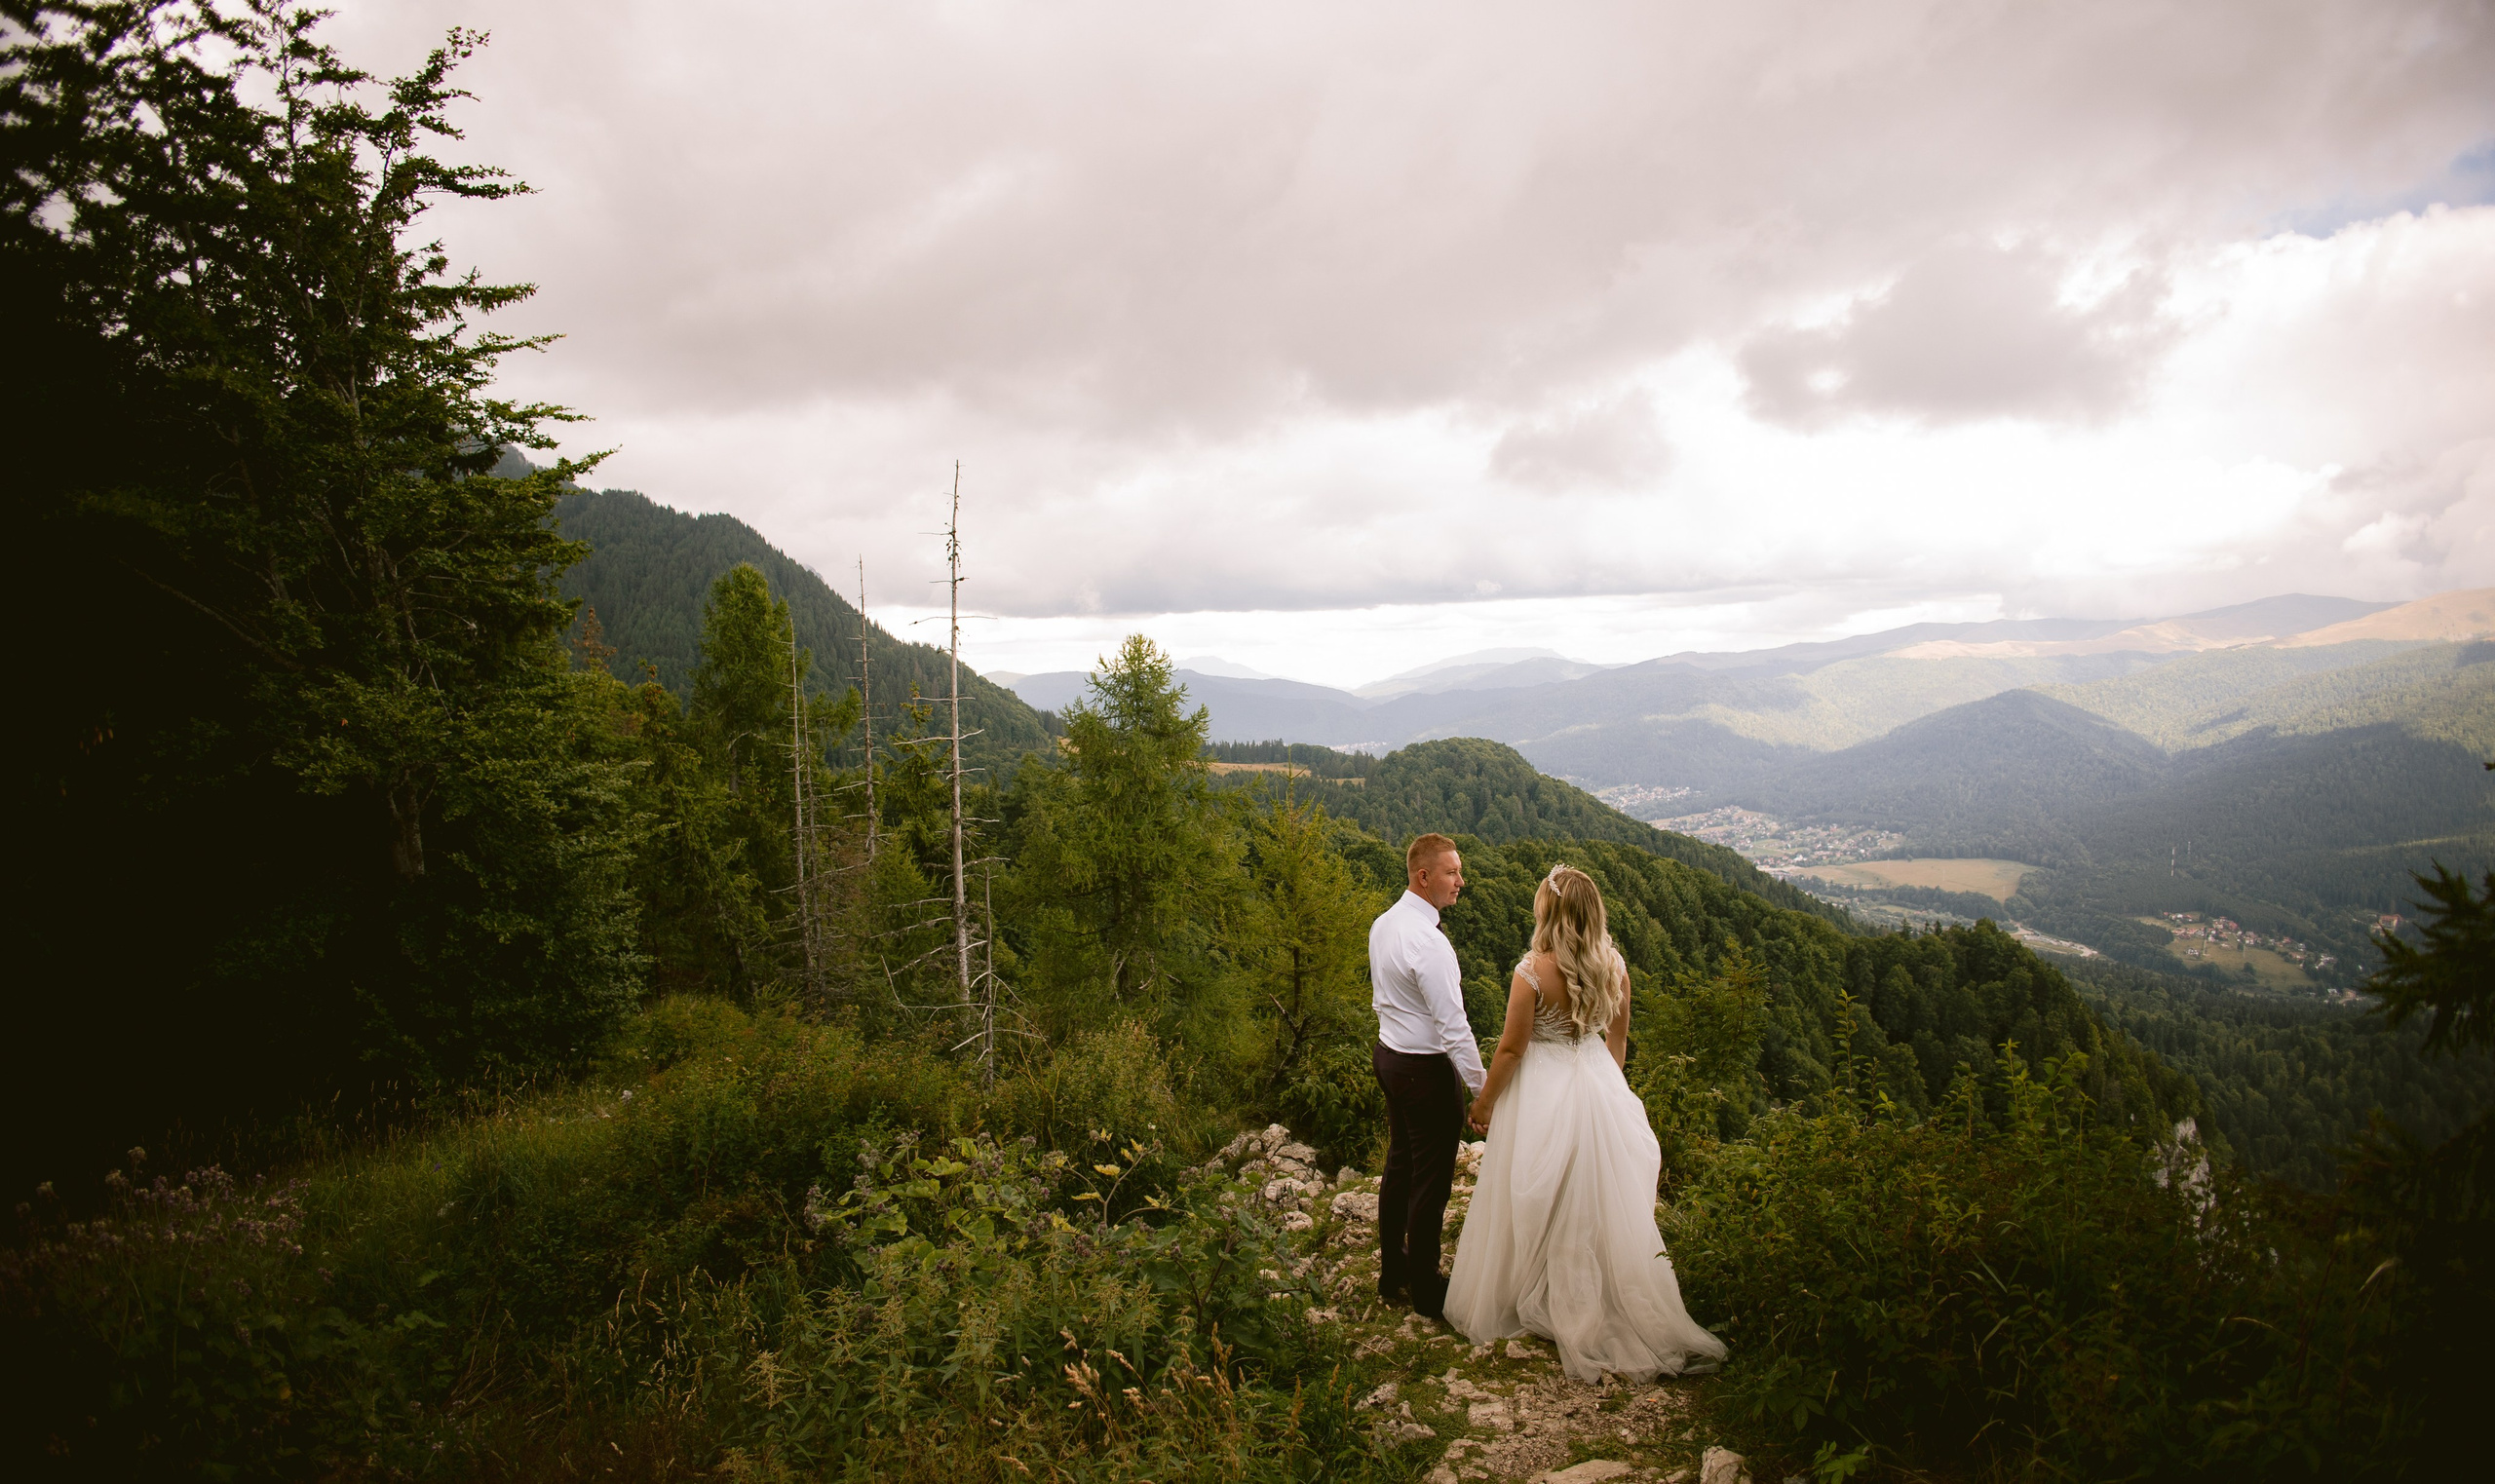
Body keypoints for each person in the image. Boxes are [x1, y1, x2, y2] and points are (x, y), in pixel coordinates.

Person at [1444, 862, 1726, 1383]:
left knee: (1537, 1192)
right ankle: (1593, 1293)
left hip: (1543, 1087)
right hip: (1597, 1079)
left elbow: (1510, 1048)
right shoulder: (1615, 966)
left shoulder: (1531, 970)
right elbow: (1617, 1042)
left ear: (1550, 911)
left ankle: (1535, 1293)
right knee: (1593, 1196)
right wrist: (1604, 1088)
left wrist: (1483, 1103)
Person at [1368, 832, 1483, 1320]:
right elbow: (1454, 1029)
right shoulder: (1429, 943)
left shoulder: (1383, 923)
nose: (1461, 881)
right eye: (1452, 873)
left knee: (1400, 1166)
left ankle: (1393, 1271)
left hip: (1389, 1056)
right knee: (1431, 1182)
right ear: (1424, 876)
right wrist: (1484, 1092)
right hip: (1425, 1071)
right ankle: (1425, 1288)